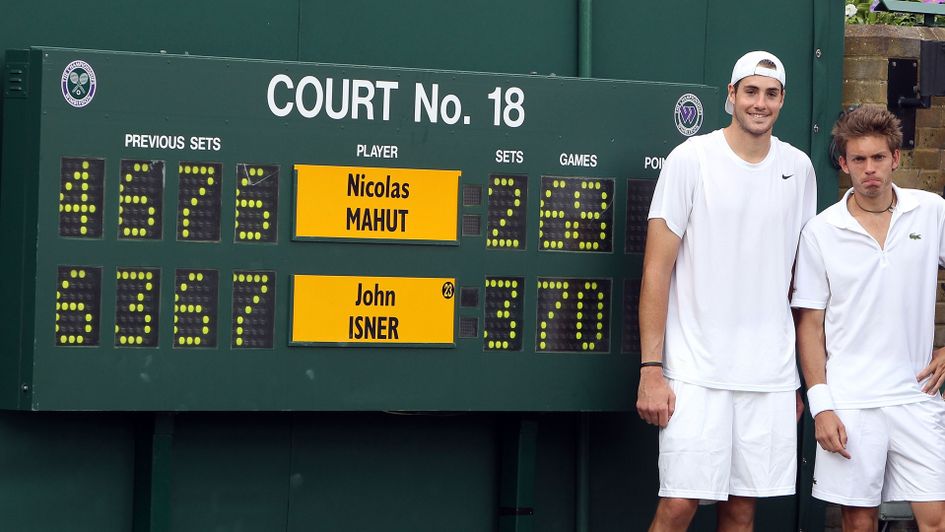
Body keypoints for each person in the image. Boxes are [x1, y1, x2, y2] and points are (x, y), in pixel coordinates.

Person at [636, 50, 816, 531]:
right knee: (679, 506)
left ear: (782, 101)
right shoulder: (690, 158)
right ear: (731, 96)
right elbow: (657, 269)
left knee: (741, 512)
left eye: (771, 94)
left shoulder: (799, 169)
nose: (760, 103)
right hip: (694, 373)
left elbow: (804, 284)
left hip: (770, 378)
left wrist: (797, 381)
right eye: (751, 91)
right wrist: (651, 369)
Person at [793, 106, 945, 531]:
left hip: (917, 397)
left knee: (936, 521)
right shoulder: (820, 232)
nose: (870, 169)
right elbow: (810, 324)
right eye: (858, 159)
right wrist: (821, 405)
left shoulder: (932, 212)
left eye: (878, 158)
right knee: (857, 523)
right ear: (843, 163)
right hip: (850, 402)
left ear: (895, 158)